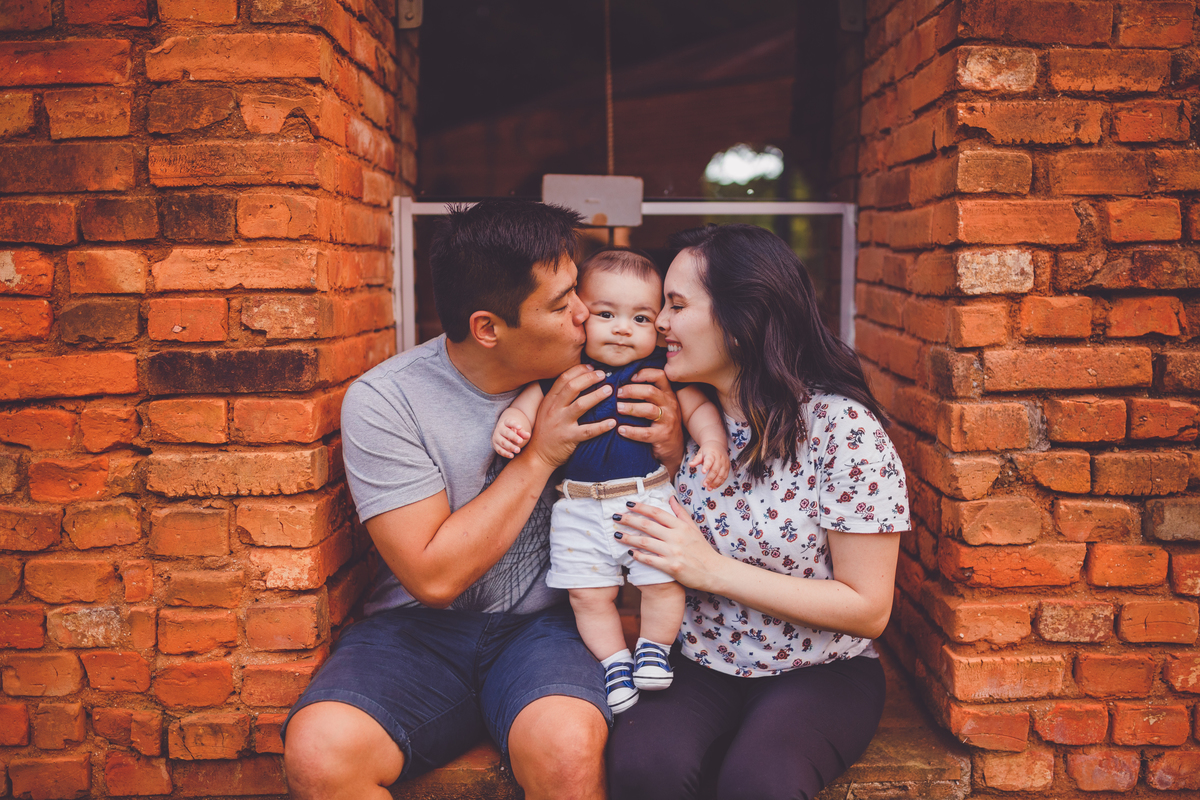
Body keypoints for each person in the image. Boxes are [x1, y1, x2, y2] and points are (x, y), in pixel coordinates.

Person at [281, 200, 684, 800]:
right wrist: (540, 455)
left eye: (579, 292)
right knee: (319, 754)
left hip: (547, 627)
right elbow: (433, 577)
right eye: (560, 305)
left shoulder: (616, 375)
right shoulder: (388, 401)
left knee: (568, 750)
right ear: (488, 327)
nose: (586, 317)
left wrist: (673, 446)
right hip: (415, 631)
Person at [606, 223, 909, 800]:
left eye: (676, 304)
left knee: (759, 783)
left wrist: (709, 570)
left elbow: (869, 608)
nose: (659, 323)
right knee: (643, 767)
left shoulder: (841, 431)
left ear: (743, 320)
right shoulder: (678, 416)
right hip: (697, 657)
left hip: (819, 668)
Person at [491, 248, 729, 715]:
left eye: (641, 317)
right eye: (606, 314)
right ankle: (614, 661)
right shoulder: (565, 370)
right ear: (580, 315)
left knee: (662, 580)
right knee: (587, 593)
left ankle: (653, 650)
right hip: (577, 506)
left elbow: (698, 408)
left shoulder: (659, 370)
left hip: (645, 497)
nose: (623, 328)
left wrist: (713, 442)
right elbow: (529, 400)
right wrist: (513, 422)